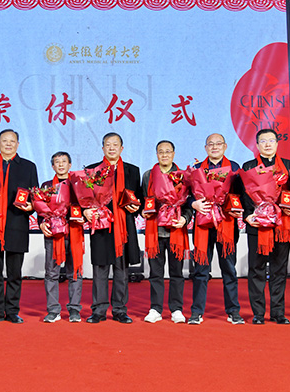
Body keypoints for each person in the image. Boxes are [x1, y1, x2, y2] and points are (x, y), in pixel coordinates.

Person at [0, 129, 38, 324]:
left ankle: (12, 311)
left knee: (15, 273)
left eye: (12, 141)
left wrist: (31, 207)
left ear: (18, 144)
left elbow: (35, 197)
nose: (8, 144)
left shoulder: (28, 167)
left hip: (17, 224)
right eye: (5, 141)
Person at [84, 132, 142, 324]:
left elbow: (138, 199)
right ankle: (98, 310)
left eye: (115, 144)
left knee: (121, 270)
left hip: (124, 227)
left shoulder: (133, 171)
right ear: (103, 148)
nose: (111, 148)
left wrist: (136, 207)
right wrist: (86, 211)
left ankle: (119, 310)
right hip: (101, 226)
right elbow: (84, 198)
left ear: (121, 148)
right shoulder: (92, 170)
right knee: (100, 269)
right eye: (108, 144)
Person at [241, 128, 290, 325]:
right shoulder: (248, 166)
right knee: (256, 269)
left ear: (277, 143)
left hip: (281, 225)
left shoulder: (288, 166)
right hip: (257, 225)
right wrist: (248, 216)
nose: (267, 144)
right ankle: (258, 313)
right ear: (257, 145)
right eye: (263, 141)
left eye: (271, 140)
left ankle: (278, 313)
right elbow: (243, 194)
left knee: (279, 269)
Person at [189, 133, 243, 325]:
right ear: (205, 148)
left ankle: (233, 311)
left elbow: (240, 194)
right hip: (203, 225)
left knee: (229, 269)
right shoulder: (197, 169)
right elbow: (187, 194)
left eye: (218, 143)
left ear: (225, 146)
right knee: (201, 270)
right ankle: (196, 312)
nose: (214, 147)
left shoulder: (234, 168)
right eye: (210, 144)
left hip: (226, 224)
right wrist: (193, 203)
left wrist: (236, 207)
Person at [141, 140, 191, 324]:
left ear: (173, 154)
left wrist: (184, 218)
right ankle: (155, 308)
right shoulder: (149, 175)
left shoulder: (183, 176)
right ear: (156, 154)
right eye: (160, 152)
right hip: (155, 231)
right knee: (155, 273)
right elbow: (144, 199)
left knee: (177, 273)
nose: (164, 155)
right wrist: (143, 211)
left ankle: (176, 309)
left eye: (168, 151)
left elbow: (189, 203)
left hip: (176, 231)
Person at [38, 151, 84, 323]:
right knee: (51, 273)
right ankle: (53, 310)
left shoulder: (79, 184)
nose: (61, 164)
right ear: (52, 166)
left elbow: (86, 205)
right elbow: (40, 209)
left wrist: (84, 218)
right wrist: (41, 222)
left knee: (75, 272)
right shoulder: (47, 185)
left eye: (64, 161)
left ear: (70, 165)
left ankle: (74, 310)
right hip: (54, 234)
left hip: (74, 232)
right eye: (57, 162)